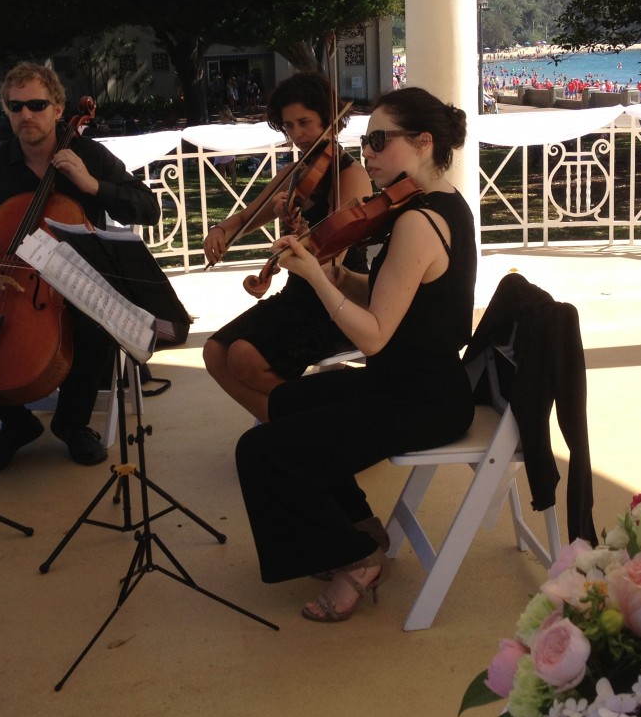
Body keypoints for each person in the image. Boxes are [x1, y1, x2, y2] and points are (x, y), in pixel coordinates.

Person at [234, 86, 475, 623]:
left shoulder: (417, 222)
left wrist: (318, 277)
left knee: (260, 452)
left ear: (422, 142)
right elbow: (395, 295)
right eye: (365, 141)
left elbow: (373, 336)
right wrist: (339, 273)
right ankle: (357, 528)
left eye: (378, 140)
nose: (365, 152)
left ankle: (354, 557)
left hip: (420, 398)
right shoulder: (439, 204)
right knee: (290, 402)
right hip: (416, 382)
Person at [0, 62, 160, 473]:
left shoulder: (88, 156)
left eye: (36, 105)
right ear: (7, 112)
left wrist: (92, 186)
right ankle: (14, 425)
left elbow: (149, 208)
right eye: (16, 107)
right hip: (9, 283)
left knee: (98, 324)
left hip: (77, 285)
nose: (26, 115)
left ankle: (72, 425)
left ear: (59, 108)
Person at [203, 72, 373, 422]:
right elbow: (246, 218)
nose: (297, 134)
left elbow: (333, 258)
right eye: (289, 126)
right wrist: (220, 230)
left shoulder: (350, 175)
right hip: (298, 295)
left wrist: (301, 231)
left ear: (329, 120)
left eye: (305, 123)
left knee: (244, 356)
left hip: (335, 302)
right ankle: (293, 432)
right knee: (215, 352)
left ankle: (311, 429)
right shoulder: (296, 172)